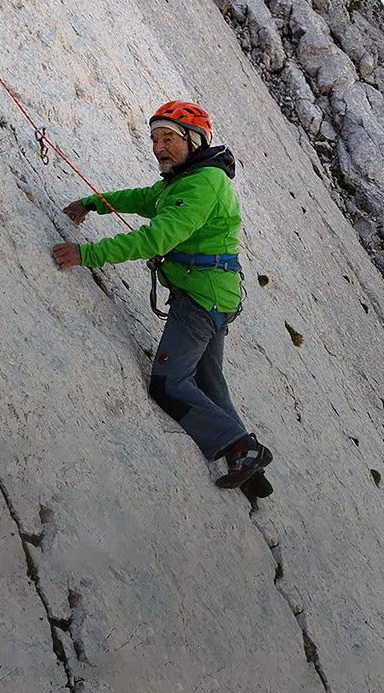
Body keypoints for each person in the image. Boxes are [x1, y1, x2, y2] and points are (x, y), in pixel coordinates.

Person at [52, 101, 273, 492]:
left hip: (200, 299)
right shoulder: (187, 178)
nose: (158, 148)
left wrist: (87, 254)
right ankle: (249, 467)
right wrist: (92, 203)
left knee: (168, 383)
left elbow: (157, 238)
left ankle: (242, 447)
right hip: (214, 295)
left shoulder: (204, 183)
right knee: (207, 381)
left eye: (168, 138)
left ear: (194, 140)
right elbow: (143, 199)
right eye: (155, 139)